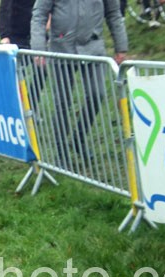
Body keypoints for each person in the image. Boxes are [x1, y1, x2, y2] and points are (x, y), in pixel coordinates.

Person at [30, 0, 128, 163]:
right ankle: (61, 152)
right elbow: (39, 14)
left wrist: (121, 46)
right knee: (62, 102)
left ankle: (78, 138)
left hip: (93, 48)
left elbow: (113, 14)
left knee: (97, 94)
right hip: (61, 49)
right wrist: (38, 48)